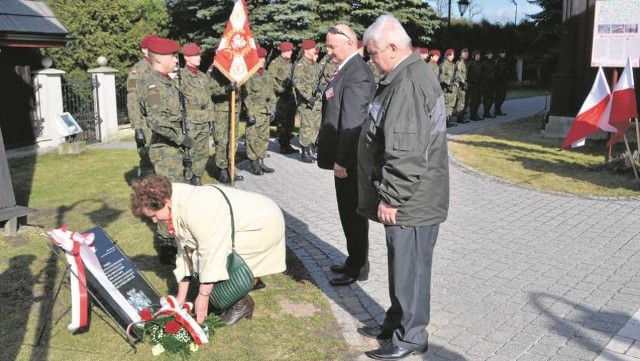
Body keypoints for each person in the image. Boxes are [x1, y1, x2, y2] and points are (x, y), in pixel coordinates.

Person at [358, 14, 449, 360]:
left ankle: (411, 337)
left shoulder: (408, 82)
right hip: (413, 197)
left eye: (373, 53)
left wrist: (392, 198)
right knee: (403, 267)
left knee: (411, 270)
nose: (371, 60)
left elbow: (407, 153)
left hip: (411, 200)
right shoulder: (404, 75)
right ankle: (396, 321)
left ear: (393, 48)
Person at [130, 174, 286, 324]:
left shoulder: (195, 210)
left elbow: (211, 253)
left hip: (262, 224)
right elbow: (184, 253)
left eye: (154, 215)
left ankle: (241, 303)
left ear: (167, 202)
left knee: (204, 261)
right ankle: (247, 279)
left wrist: (203, 296)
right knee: (197, 258)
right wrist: (180, 299)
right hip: (251, 219)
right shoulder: (174, 200)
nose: (154, 220)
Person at [317, 24, 375, 287]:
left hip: (350, 161)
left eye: (332, 46)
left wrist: (342, 160)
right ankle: (354, 260)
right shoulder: (347, 70)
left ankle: (357, 268)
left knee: (353, 214)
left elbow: (353, 121)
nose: (328, 51)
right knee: (347, 213)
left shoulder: (357, 73)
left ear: (350, 44)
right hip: (345, 159)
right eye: (327, 46)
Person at [137, 37, 186, 264]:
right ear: (159, 58)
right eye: (172, 56)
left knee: (176, 194)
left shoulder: (167, 81)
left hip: (174, 148)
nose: (176, 59)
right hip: (165, 149)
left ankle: (176, 238)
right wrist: (181, 138)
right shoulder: (152, 84)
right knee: (168, 196)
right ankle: (167, 244)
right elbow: (157, 120)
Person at [179, 43, 218, 186]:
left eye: (198, 55)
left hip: (204, 118)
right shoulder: (180, 77)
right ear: (187, 58)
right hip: (190, 118)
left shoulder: (202, 76)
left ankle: (197, 177)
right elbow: (177, 100)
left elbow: (208, 98)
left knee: (203, 151)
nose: (199, 58)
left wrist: (211, 119)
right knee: (189, 151)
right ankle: (188, 178)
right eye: (195, 55)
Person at [209, 44, 244, 185]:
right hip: (221, 111)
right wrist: (226, 89)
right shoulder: (213, 70)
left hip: (234, 109)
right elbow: (211, 90)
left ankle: (231, 167)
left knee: (233, 140)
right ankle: (222, 170)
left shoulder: (233, 69)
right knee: (222, 141)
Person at [242, 47, 277, 175]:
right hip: (255, 111)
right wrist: (249, 113)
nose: (262, 60)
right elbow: (246, 95)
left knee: (263, 137)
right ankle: (254, 163)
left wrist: (272, 109)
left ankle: (261, 161)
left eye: (263, 58)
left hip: (266, 111)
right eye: (259, 58)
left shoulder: (266, 74)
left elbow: (272, 94)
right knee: (253, 137)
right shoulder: (249, 75)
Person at [127, 34, 157, 179]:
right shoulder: (137, 70)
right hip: (145, 122)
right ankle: (144, 191)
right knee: (147, 158)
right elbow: (132, 98)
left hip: (160, 119)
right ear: (145, 50)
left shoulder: (159, 66)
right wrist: (137, 126)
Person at [294, 39, 322, 163]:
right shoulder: (301, 64)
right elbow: (297, 82)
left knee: (315, 127)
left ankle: (310, 149)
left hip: (317, 102)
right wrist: (307, 97)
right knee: (307, 127)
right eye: (312, 48)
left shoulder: (315, 65)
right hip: (307, 103)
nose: (314, 50)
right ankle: (304, 153)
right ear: (306, 50)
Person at [270, 41, 299, 154]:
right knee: (282, 122)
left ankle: (287, 143)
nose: (291, 52)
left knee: (290, 121)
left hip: (290, 97)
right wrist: (280, 90)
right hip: (281, 98)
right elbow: (271, 79)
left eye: (291, 50)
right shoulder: (275, 63)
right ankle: (283, 145)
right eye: (289, 51)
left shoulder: (290, 63)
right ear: (283, 51)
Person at [440, 48, 459, 128]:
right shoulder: (444, 64)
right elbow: (441, 76)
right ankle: (444, 122)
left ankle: (448, 121)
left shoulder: (453, 64)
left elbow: (455, 76)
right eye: (450, 55)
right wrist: (448, 82)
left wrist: (455, 83)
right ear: (447, 55)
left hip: (453, 89)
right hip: (446, 88)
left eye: (453, 55)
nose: (452, 56)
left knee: (451, 105)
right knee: (446, 106)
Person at [454, 48, 470, 123]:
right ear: (461, 54)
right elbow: (458, 74)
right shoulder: (460, 62)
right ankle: (459, 118)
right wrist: (463, 82)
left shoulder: (466, 62)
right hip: (461, 85)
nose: (466, 54)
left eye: (467, 53)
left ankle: (462, 116)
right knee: (461, 101)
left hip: (466, 84)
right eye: (464, 53)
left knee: (465, 101)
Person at [467, 50, 484, 121]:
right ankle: (472, 115)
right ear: (473, 56)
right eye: (477, 55)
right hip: (473, 85)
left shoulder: (480, 64)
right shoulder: (471, 64)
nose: (478, 56)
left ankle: (475, 114)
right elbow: (469, 74)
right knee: (474, 100)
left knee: (478, 100)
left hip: (479, 84)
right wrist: (474, 80)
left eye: (479, 55)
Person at [480, 49, 496, 118]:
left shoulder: (492, 62)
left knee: (492, 98)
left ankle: (487, 111)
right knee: (487, 98)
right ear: (486, 55)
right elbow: (482, 73)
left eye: (491, 54)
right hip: (486, 83)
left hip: (491, 83)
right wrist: (488, 77)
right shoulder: (484, 63)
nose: (491, 55)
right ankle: (486, 112)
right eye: (489, 54)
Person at [493, 48, 509, 116]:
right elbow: (496, 72)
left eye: (504, 53)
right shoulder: (497, 61)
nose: (504, 54)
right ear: (500, 54)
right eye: (503, 53)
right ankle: (497, 109)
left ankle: (498, 109)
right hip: (499, 82)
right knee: (499, 96)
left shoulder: (504, 61)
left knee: (502, 96)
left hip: (503, 81)